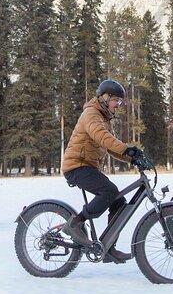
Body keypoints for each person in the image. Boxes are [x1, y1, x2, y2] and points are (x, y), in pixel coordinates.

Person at [61, 79, 146, 264]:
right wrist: (127, 148)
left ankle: (108, 248)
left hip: (88, 166)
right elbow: (101, 137)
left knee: (119, 202)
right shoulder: (91, 114)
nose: (118, 105)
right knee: (109, 191)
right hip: (76, 166)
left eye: (121, 102)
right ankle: (75, 224)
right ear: (105, 97)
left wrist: (133, 158)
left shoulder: (103, 118)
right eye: (117, 100)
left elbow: (111, 147)